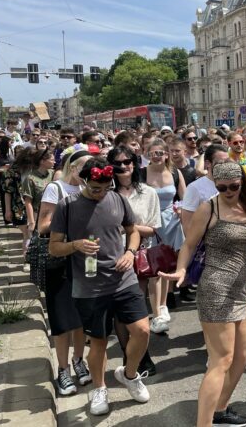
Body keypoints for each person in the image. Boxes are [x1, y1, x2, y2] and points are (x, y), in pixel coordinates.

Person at [161, 161, 246, 427]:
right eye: (221, 186)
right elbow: (189, 244)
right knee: (221, 359)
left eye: (233, 186)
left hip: (240, 288)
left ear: (242, 184)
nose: (227, 191)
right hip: (215, 287)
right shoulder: (209, 207)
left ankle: (220, 408)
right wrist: (181, 270)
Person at [48, 158, 150, 416]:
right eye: (95, 189)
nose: (101, 193)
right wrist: (76, 245)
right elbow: (54, 247)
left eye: (105, 188)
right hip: (89, 286)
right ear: (84, 181)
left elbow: (133, 230)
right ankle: (100, 388)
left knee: (142, 331)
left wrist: (130, 252)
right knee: (99, 343)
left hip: (123, 279)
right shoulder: (67, 206)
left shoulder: (117, 199)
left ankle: (129, 375)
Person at [36, 150, 93, 395]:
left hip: (84, 261)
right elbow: (43, 226)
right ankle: (62, 369)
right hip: (59, 260)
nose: (88, 174)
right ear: (72, 168)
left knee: (80, 318)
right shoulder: (56, 189)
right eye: (84, 169)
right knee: (61, 319)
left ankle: (78, 361)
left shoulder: (92, 190)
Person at [108, 146, 162, 375]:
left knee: (137, 310)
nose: (123, 167)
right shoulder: (106, 192)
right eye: (117, 163)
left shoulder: (148, 193)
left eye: (127, 162)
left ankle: (142, 354)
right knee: (119, 312)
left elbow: (152, 229)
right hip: (110, 257)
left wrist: (127, 227)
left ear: (134, 163)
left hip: (138, 257)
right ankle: (127, 353)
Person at [140, 138, 186, 333]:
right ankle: (157, 315)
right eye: (153, 153)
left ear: (166, 154)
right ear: (147, 155)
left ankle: (163, 305)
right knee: (153, 271)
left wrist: (180, 211)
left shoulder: (175, 172)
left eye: (160, 153)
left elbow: (185, 199)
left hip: (170, 222)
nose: (157, 156)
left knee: (165, 264)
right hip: (149, 223)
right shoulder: (141, 173)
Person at [181, 144, 230, 232]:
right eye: (220, 163)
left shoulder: (233, 184)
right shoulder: (194, 188)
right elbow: (187, 225)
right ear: (208, 163)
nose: (225, 166)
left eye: (227, 162)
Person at [3, 147, 35, 251]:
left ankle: (30, 259)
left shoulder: (37, 169)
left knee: (32, 235)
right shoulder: (12, 171)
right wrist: (7, 210)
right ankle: (27, 260)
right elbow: (8, 191)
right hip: (19, 206)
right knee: (27, 235)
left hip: (35, 205)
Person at [21, 148, 55, 235]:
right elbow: (28, 201)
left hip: (54, 215)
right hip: (39, 216)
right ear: (42, 161)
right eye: (52, 160)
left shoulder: (54, 174)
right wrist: (32, 221)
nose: (54, 162)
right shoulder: (30, 178)